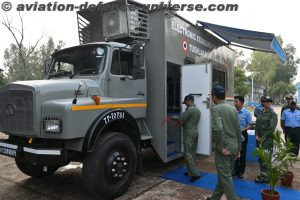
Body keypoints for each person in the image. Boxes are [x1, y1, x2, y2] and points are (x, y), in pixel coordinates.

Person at [207, 85, 241, 200]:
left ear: (214, 96)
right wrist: (238, 149)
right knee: (225, 176)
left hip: (224, 148)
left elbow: (218, 129)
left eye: (212, 96)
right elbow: (238, 130)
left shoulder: (215, 109)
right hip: (234, 146)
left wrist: (221, 147)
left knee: (225, 177)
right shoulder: (232, 109)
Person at [172, 94, 201, 182]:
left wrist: (174, 118)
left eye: (186, 102)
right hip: (195, 131)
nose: (185, 104)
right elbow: (189, 120)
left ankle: (195, 174)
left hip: (189, 132)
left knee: (188, 154)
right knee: (192, 153)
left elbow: (181, 118)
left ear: (189, 101)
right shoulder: (197, 110)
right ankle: (189, 171)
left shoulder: (190, 109)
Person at [255, 96, 278, 183]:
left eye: (269, 101)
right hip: (259, 139)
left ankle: (265, 177)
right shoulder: (261, 112)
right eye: (266, 101)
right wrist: (257, 135)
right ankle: (263, 174)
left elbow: (271, 129)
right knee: (260, 158)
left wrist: (262, 137)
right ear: (263, 102)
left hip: (266, 140)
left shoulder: (273, 114)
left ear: (271, 103)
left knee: (265, 159)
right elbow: (257, 124)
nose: (267, 103)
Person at [233, 96, 252, 179]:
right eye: (234, 101)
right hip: (234, 135)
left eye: (236, 101)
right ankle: (235, 170)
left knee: (242, 153)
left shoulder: (247, 113)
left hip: (243, 134)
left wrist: (242, 130)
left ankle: (241, 172)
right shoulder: (233, 112)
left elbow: (250, 125)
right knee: (235, 152)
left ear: (241, 103)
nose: (234, 103)